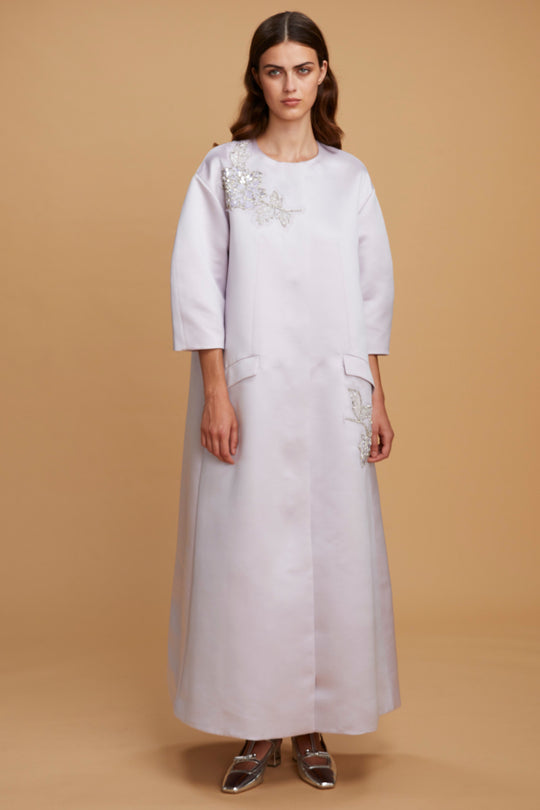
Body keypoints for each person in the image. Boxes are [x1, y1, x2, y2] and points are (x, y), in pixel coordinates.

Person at [168, 9, 401, 794]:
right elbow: (199, 285)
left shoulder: (349, 178)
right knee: (250, 558)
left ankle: (313, 723)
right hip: (252, 389)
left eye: (303, 69)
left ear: (323, 73)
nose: (290, 85)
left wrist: (376, 397)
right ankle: (256, 723)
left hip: (336, 391)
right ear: (257, 79)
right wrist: (216, 393)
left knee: (334, 554)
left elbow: (371, 295)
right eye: (275, 71)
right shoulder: (225, 171)